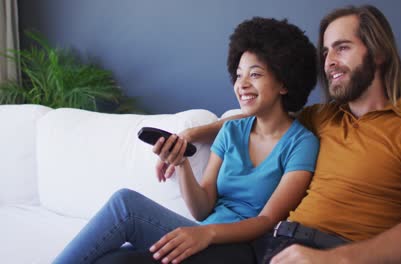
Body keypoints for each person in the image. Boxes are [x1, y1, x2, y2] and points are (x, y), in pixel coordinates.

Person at [154, 5, 401, 264]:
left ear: (378, 53)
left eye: (342, 47)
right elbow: (263, 118)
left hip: (332, 252)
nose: (328, 62)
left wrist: (333, 260)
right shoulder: (322, 118)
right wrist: (191, 135)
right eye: (326, 52)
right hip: (272, 247)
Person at [52, 17, 319, 264]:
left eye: (255, 74)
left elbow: (268, 220)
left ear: (284, 83)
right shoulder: (231, 132)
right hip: (203, 234)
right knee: (110, 260)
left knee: (126, 206)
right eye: (238, 75)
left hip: (243, 247)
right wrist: (181, 164)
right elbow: (202, 210)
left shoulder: (301, 143)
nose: (242, 84)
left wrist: (209, 234)